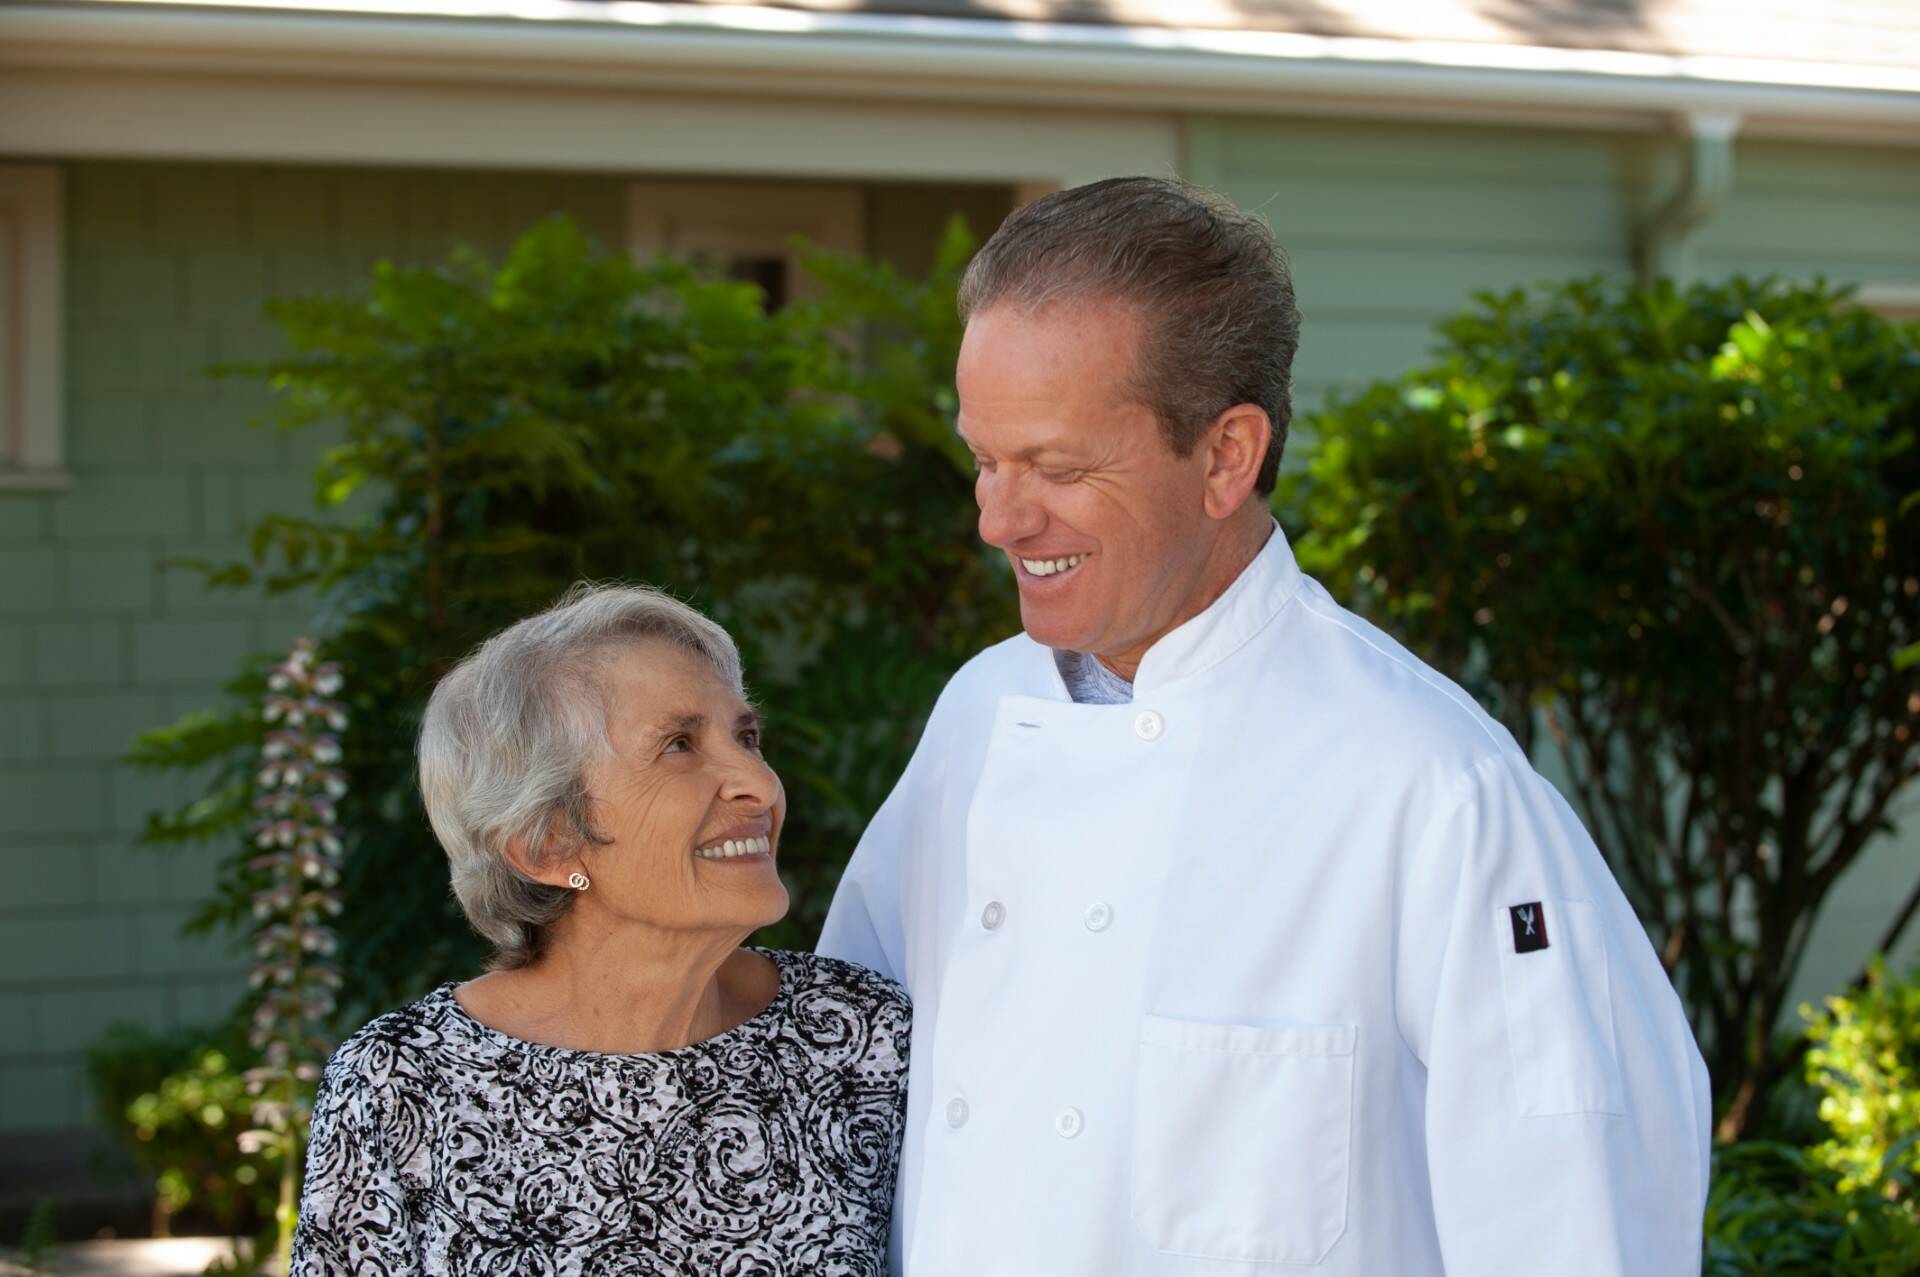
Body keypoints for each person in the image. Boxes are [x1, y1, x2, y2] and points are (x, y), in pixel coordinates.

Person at [818, 177, 1711, 1275]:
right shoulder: (979, 716)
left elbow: (1580, 1221)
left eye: (1056, 466)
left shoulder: (1429, 785)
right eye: (984, 460)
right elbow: (839, 1085)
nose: (1000, 518)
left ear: (1227, 457)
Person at [292, 584, 909, 1276]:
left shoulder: (860, 1038)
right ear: (547, 843)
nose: (759, 784)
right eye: (680, 745)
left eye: (746, 737)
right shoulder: (401, 1084)